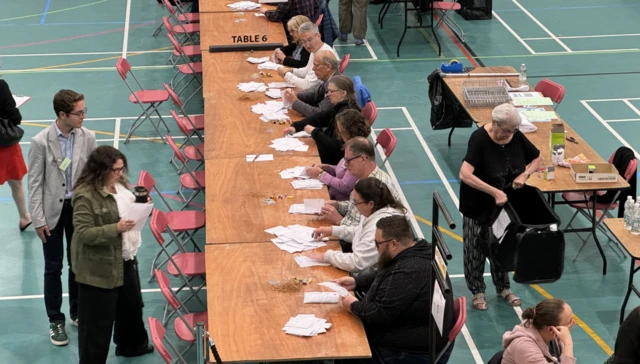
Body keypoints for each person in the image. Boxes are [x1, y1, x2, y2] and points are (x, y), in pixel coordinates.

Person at [334, 215, 455, 363]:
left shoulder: (409, 271)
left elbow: (379, 315)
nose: (376, 247)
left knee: (346, 349)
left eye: (378, 243)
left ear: (393, 244)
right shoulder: (419, 250)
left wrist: (352, 304)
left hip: (410, 352)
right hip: (413, 332)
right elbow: (386, 273)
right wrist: (356, 281)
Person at [71, 146, 154, 363]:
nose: (120, 173)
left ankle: (132, 346)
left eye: (121, 168)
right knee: (97, 326)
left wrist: (142, 206)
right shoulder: (84, 196)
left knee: (131, 309)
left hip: (125, 257)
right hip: (98, 269)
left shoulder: (119, 184)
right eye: (115, 170)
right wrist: (116, 228)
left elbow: (126, 207)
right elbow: (83, 233)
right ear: (100, 170)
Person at [27, 89, 97, 346]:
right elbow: (34, 184)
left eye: (84, 111)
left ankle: (78, 312)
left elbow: (93, 175)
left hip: (78, 210)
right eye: (79, 113)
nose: (83, 116)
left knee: (78, 263)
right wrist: (38, 219)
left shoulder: (88, 137)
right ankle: (55, 320)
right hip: (51, 214)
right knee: (53, 268)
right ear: (62, 114)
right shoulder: (40, 142)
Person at [458, 103, 543, 311]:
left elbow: (538, 158)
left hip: (503, 208)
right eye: (506, 130)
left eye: (513, 130)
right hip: (477, 206)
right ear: (495, 123)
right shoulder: (479, 139)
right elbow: (465, 174)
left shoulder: (515, 136)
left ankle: (503, 287)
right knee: (474, 249)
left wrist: (525, 174)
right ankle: (477, 291)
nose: (509, 134)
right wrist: (494, 192)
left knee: (501, 245)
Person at [306, 177, 406, 273]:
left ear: (370, 204)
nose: (354, 205)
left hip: (369, 275)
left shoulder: (378, 226)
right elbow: (360, 232)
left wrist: (327, 256)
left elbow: (357, 263)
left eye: (357, 202)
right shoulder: (373, 211)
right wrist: (332, 230)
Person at [285, 75, 360, 165]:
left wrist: (314, 132)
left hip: (335, 162)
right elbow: (319, 118)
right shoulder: (339, 106)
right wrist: (296, 126)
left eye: (331, 91)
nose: (328, 94)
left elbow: (338, 148)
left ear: (343, 93)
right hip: (327, 153)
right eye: (328, 91)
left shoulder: (347, 115)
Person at [305, 109, 370, 201]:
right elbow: (343, 170)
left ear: (347, 131)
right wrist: (327, 167)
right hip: (333, 194)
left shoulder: (357, 152)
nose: (338, 133)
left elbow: (344, 186)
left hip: (340, 201)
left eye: (340, 130)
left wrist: (320, 174)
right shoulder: (350, 145)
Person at [502, 298, 576, 364]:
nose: (574, 323)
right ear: (551, 329)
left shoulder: (552, 334)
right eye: (569, 321)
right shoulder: (525, 347)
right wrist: (568, 344)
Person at [0, 78, 31, 231]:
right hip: (5, 146)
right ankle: (24, 217)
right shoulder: (1, 85)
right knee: (16, 184)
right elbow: (15, 117)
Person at [276, 22, 339, 90]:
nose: (307, 45)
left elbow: (307, 85)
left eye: (310, 40)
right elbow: (306, 71)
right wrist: (291, 71)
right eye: (303, 41)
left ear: (318, 35)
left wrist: (286, 75)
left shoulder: (322, 55)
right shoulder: (315, 49)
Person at [283, 49, 340, 117]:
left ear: (328, 67)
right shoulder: (331, 78)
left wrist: (295, 102)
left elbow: (319, 113)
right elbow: (314, 95)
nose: (313, 69)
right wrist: (295, 95)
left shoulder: (337, 86)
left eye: (316, 65)